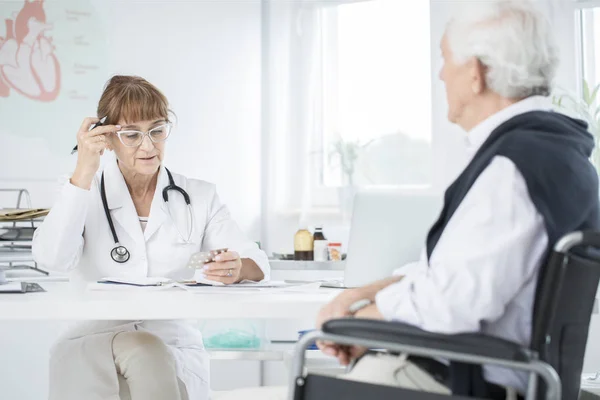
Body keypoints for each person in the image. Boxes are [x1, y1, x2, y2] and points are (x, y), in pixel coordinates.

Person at [213, 1, 600, 399]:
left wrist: (362, 319)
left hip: (454, 383)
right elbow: (448, 276)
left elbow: (451, 304)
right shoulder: (556, 154)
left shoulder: (512, 168)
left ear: (475, 73)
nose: (440, 74)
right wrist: (360, 297)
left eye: (445, 60)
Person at [32, 75, 270, 400]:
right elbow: (51, 259)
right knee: (144, 351)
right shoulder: (80, 190)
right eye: (131, 135)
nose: (148, 146)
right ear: (107, 137)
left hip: (173, 343)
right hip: (93, 338)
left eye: (157, 131)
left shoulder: (198, 196)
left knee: (151, 353)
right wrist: (84, 169)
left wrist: (237, 267)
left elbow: (256, 263)